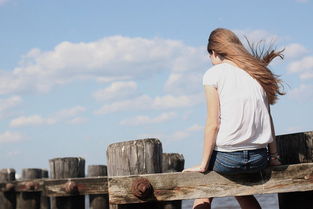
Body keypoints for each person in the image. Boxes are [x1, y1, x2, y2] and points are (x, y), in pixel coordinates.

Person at [183, 28, 284, 209]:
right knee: (237, 187)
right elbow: (268, 119)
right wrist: (274, 157)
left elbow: (213, 124)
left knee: (204, 188)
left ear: (214, 52)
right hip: (258, 157)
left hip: (227, 159)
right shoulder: (256, 73)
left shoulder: (214, 74)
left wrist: (203, 165)